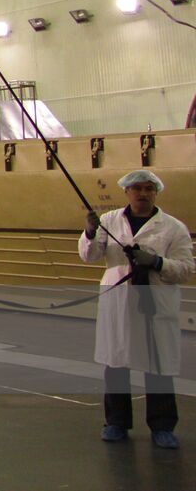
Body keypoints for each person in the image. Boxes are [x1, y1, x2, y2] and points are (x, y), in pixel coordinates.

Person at [80, 170, 194, 449]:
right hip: (118, 300)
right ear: (127, 192)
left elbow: (186, 269)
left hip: (155, 302)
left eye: (148, 189)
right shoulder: (109, 221)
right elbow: (90, 255)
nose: (142, 194)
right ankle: (116, 422)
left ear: (156, 192)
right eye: (137, 189)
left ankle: (162, 426)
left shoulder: (173, 227)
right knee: (116, 363)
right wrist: (90, 232)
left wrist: (156, 263)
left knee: (158, 364)